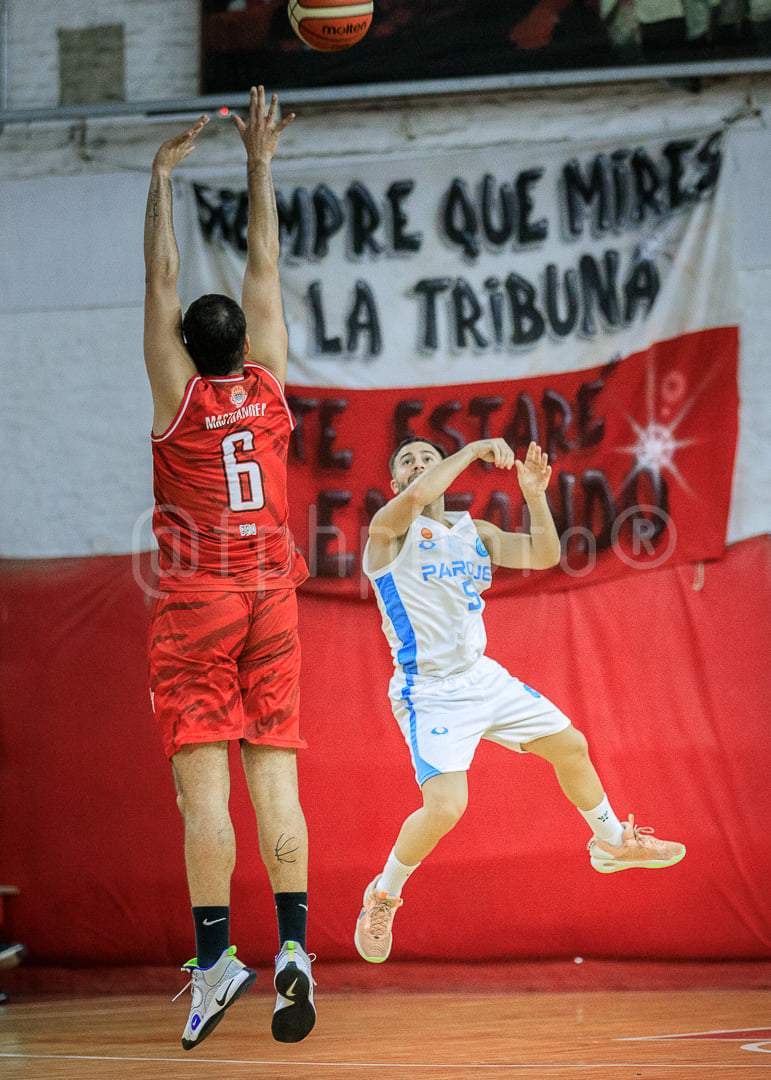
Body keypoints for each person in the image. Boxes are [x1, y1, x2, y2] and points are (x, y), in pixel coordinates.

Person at [355, 436, 686, 963]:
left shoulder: (475, 532)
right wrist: (469, 451)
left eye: (427, 459)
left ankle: (611, 842)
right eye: (407, 462)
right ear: (395, 483)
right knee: (446, 809)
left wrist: (533, 494)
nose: (418, 467)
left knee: (572, 746)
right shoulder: (388, 532)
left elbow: (545, 554)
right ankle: (383, 894)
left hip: (482, 677)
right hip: (431, 692)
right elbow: (418, 499)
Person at [143, 86, 315, 1046]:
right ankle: (294, 949)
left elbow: (160, 287)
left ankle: (217, 965)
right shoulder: (271, 383)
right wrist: (259, 162)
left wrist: (164, 178)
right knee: (277, 785)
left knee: (201, 791)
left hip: (198, 602)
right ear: (244, 347)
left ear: (185, 351)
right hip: (273, 597)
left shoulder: (178, 391)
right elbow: (266, 263)